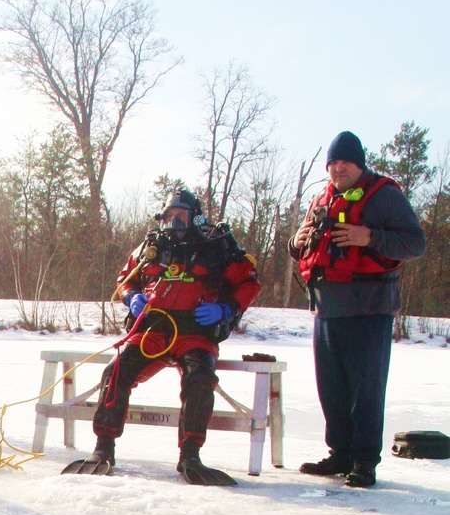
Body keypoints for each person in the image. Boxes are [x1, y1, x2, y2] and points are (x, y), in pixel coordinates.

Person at [66, 190, 260, 485]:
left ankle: (190, 456)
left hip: (195, 331)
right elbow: (125, 279)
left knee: (200, 378)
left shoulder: (216, 247)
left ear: (195, 217)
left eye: (180, 216)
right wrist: (131, 297)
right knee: (115, 371)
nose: (173, 222)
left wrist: (226, 308)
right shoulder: (152, 246)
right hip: (153, 330)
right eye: (168, 216)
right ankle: (103, 448)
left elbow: (249, 282)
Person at [290, 131, 426, 489]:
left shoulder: (384, 196)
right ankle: (340, 454)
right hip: (327, 310)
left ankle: (365, 461)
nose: (337, 170)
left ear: (359, 163)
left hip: (369, 310)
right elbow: (303, 248)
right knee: (331, 389)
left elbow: (415, 242)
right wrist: (296, 242)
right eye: (332, 164)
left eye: (344, 163)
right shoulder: (323, 198)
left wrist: (370, 237)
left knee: (365, 390)